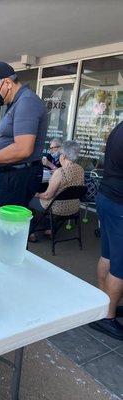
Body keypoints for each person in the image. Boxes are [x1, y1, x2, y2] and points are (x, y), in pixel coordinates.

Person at [0, 61, 47, 208]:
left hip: (19, 175)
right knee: (3, 222)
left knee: (4, 225)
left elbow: (23, 149)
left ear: (7, 83)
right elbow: (12, 139)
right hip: (13, 174)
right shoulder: (16, 102)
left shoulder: (27, 102)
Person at [89, 121, 123, 340]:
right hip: (120, 203)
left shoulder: (118, 128)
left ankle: (103, 306)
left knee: (108, 255)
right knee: (121, 266)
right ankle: (107, 318)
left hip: (107, 198)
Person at [29, 141, 84, 239]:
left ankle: (31, 232)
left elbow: (47, 196)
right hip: (74, 207)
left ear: (63, 156)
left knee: (28, 199)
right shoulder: (80, 170)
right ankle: (49, 229)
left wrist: (35, 194)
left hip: (57, 208)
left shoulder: (60, 172)